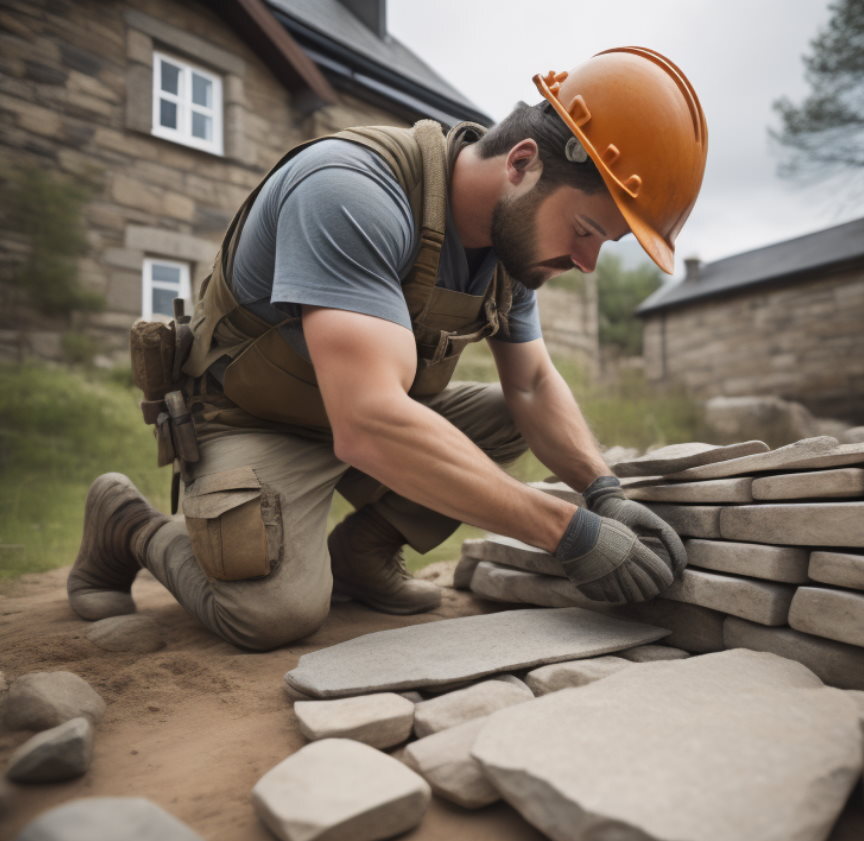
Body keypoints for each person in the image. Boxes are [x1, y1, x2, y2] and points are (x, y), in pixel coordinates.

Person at [68, 47, 708, 650]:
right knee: (271, 615)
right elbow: (371, 422)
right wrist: (569, 534)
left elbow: (534, 385)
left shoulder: (512, 250)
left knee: (515, 415)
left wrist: (603, 490)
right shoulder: (350, 190)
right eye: (588, 229)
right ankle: (130, 524)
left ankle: (362, 554)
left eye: (607, 243)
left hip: (363, 416)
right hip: (254, 420)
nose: (588, 261)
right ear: (521, 163)